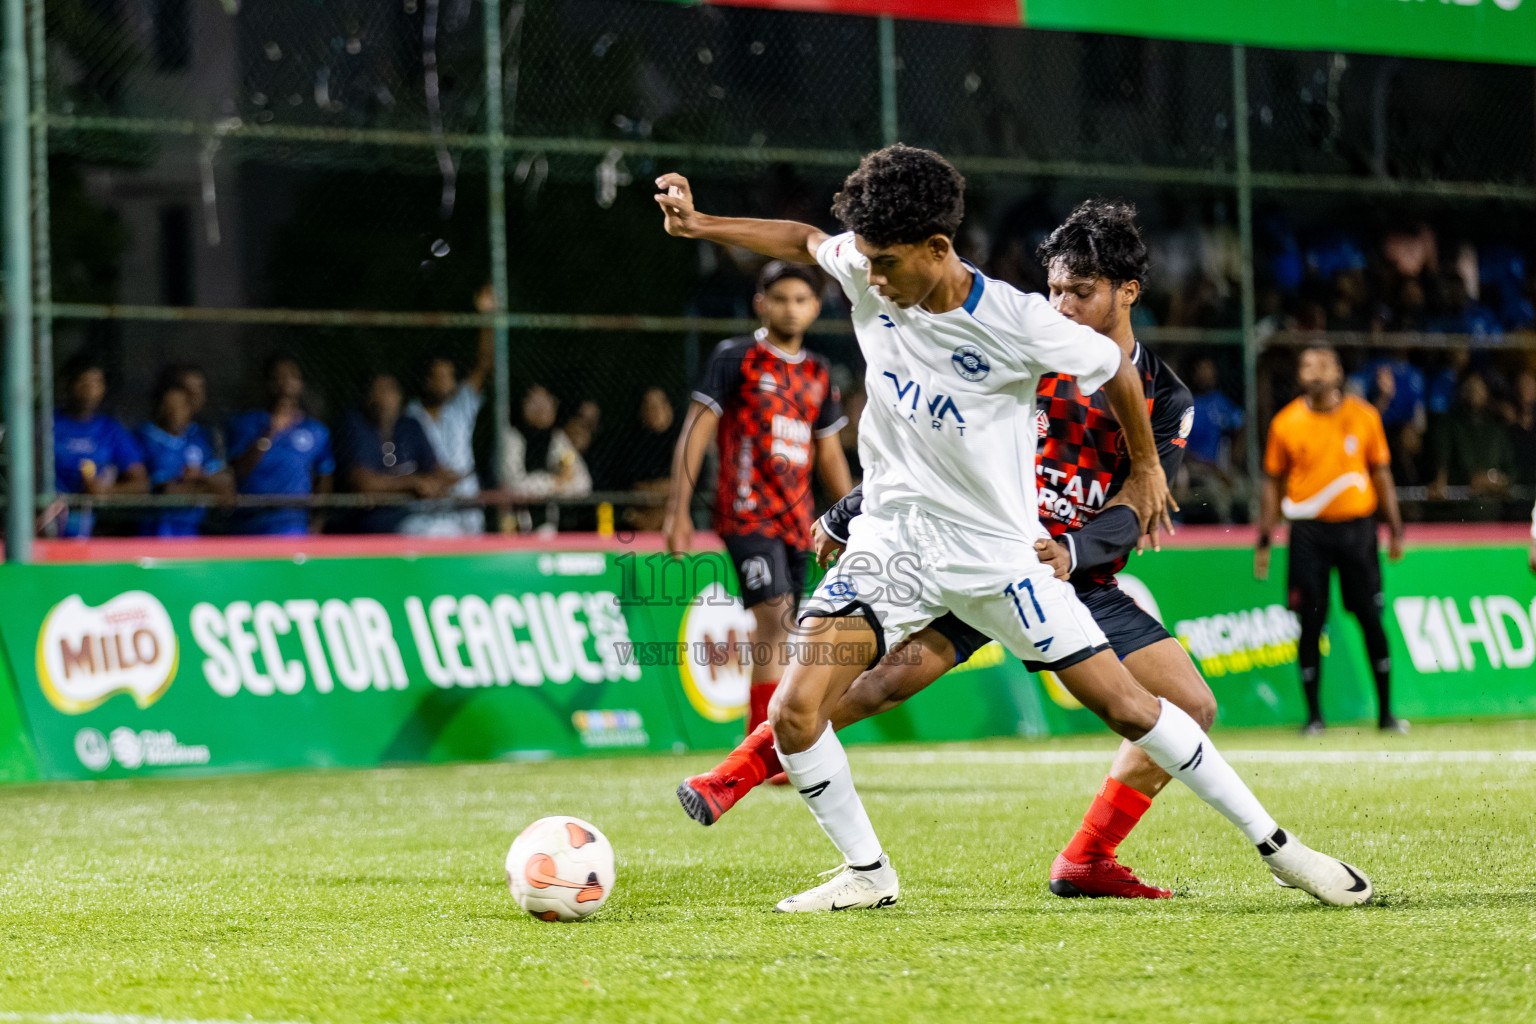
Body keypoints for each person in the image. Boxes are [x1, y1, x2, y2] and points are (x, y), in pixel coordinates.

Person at [655, 146, 1372, 912]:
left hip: (1006, 560)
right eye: (866, 260)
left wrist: (1143, 471)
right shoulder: (870, 266)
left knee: (1137, 709)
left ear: (937, 248)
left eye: (888, 263)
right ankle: (863, 868)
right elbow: (805, 241)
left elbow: (1117, 372)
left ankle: (1280, 849)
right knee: (801, 707)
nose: (872, 277)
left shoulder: (1020, 324)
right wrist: (701, 224)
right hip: (895, 544)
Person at [677, 200, 1214, 901]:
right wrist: (852, 508)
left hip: (1071, 574)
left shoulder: (1164, 396)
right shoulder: (1026, 350)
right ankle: (740, 771)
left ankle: (1087, 858)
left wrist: (1072, 551)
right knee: (879, 684)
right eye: (1055, 290)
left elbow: (1139, 504)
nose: (1061, 306)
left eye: (1080, 293)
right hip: (976, 551)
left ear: (1128, 292)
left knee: (1191, 705)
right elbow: (930, 444)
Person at [664, 260, 853, 737]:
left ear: (815, 308)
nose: (790, 309)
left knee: (786, 628)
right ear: (760, 304)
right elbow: (696, 430)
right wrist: (677, 510)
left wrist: (855, 518)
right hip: (745, 511)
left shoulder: (818, 372)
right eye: (780, 299)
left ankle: (773, 743)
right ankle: (763, 748)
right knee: (773, 622)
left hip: (798, 521)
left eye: (801, 300)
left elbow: (829, 453)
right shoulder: (736, 358)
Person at [1255, 344, 1406, 735]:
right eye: (1308, 364)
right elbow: (1272, 484)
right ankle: (1314, 718)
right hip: (1308, 535)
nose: (1316, 371)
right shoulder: (1285, 423)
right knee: (1310, 622)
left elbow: (1382, 474)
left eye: (1324, 364)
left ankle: (1387, 715)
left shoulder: (1365, 416)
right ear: (1299, 374)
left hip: (1358, 530)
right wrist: (1264, 540)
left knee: (1370, 617)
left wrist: (1395, 528)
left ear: (1339, 372)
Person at [401, 284, 496, 536]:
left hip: (466, 501)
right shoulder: (409, 415)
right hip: (427, 508)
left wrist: (487, 317)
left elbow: (484, 364)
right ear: (425, 380)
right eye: (439, 377)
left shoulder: (460, 407)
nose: (447, 383)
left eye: (450, 376)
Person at [227, 356, 335, 536]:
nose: (287, 382)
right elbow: (239, 470)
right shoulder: (246, 423)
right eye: (280, 376)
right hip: (251, 522)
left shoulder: (316, 430)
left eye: (293, 376)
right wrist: (271, 431)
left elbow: (324, 476)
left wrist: (318, 519)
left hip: (293, 522)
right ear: (269, 383)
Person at [337, 373, 455, 534]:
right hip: (372, 523)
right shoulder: (356, 425)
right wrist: (412, 483)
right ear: (368, 397)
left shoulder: (410, 426)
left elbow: (438, 473)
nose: (386, 398)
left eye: (390, 390)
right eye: (379, 391)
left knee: (447, 530)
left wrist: (431, 483)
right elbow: (363, 483)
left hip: (416, 515)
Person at [53, 356, 148, 538]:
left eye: (96, 382)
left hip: (96, 529)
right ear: (69, 384)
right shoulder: (48, 423)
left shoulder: (111, 429)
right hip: (50, 525)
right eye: (84, 381)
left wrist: (106, 490)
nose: (90, 390)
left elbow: (141, 484)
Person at [135, 380, 232, 536]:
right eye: (169, 406)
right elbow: (165, 492)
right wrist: (202, 486)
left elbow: (226, 490)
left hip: (192, 530)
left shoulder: (200, 438)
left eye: (181, 406)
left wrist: (200, 477)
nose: (175, 412)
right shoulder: (146, 438)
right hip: (155, 531)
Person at [1180, 356, 1244, 523]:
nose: (1206, 375)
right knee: (1215, 490)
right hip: (1195, 468)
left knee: (1244, 487)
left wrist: (1232, 461)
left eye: (1209, 371)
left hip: (1222, 468)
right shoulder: (1188, 404)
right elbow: (1180, 446)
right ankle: (1225, 528)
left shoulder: (1220, 402)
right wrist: (1209, 467)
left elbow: (1241, 425)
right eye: (1202, 371)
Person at [500, 384, 591, 501]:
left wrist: (551, 485)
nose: (541, 408)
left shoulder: (556, 438)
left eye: (545, 400)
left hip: (551, 510)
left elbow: (583, 484)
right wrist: (554, 483)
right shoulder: (511, 437)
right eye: (534, 402)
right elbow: (512, 487)